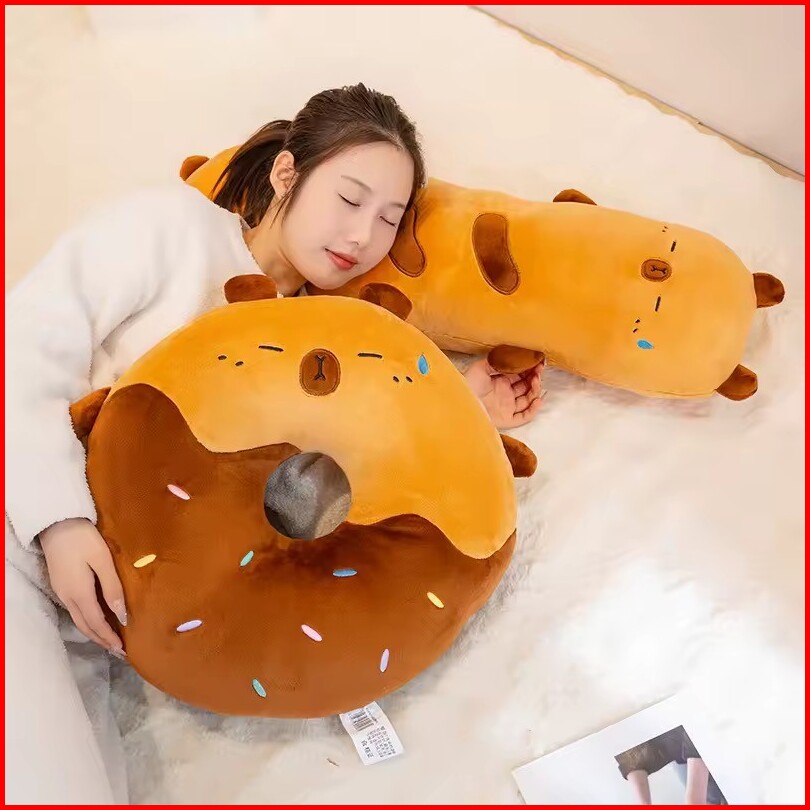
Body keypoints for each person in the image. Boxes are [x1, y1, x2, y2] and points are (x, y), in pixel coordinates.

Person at [5, 83, 544, 804]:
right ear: (287, 172)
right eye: (349, 199)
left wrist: (460, 409)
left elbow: (329, 484)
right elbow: (23, 349)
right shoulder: (171, 227)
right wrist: (60, 523)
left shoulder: (325, 340)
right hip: (21, 540)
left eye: (388, 220)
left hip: (101, 631)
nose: (363, 236)